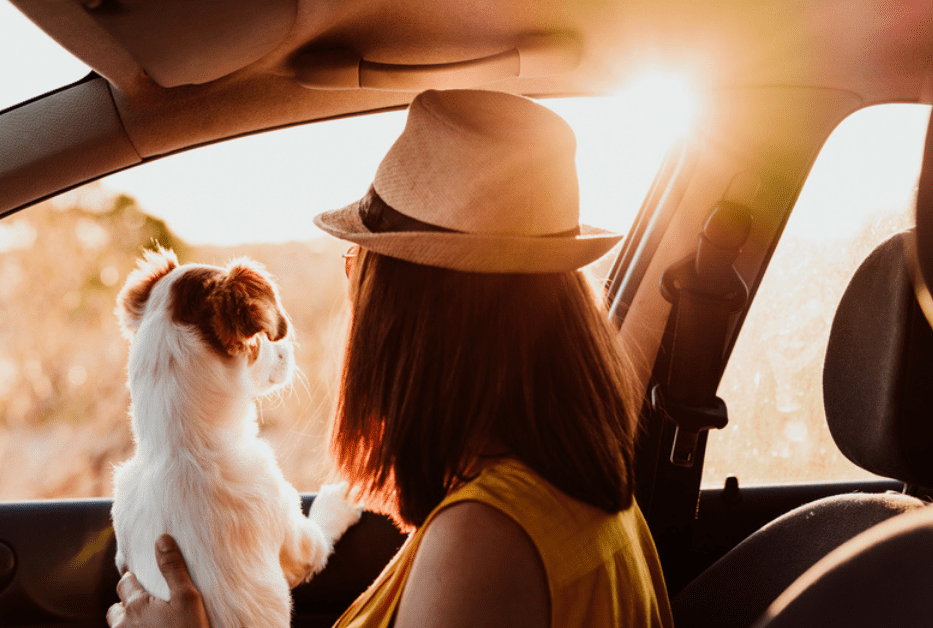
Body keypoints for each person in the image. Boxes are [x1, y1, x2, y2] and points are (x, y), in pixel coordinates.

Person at [108, 88, 673, 628]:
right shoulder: (580, 500)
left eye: (357, 263)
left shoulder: (484, 542)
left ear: (410, 314)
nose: (352, 290)